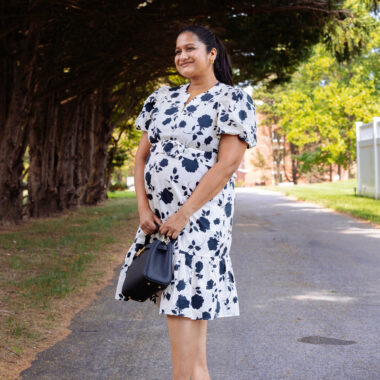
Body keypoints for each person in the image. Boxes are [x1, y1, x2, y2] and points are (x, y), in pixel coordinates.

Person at [115, 24, 257, 380]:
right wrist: (143, 208)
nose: (182, 56)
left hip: (199, 224)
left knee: (185, 315)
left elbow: (227, 165)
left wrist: (183, 214)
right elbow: (141, 157)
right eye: (177, 51)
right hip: (161, 223)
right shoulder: (160, 98)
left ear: (212, 54)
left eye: (190, 48)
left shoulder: (232, 99)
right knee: (186, 325)